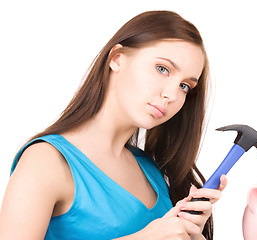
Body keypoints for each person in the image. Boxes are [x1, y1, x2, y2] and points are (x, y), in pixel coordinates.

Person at [0, 10, 227, 240]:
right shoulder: (46, 161)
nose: (172, 94)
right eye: (162, 69)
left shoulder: (151, 172)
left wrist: (190, 234)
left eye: (185, 86)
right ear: (117, 58)